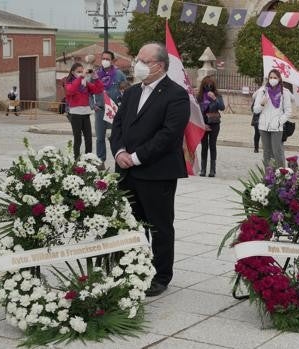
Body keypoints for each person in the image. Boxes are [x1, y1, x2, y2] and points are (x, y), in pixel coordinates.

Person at [110, 42, 190, 297]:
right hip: (126, 171)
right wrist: (120, 152)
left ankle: (161, 275)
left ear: (160, 65)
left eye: (145, 61)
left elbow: (168, 135)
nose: (138, 65)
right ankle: (131, 266)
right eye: (138, 60)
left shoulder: (176, 95)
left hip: (156, 172)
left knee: (159, 226)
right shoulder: (132, 92)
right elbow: (119, 124)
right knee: (129, 223)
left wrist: (136, 157)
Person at [253, 69, 292, 167]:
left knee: (277, 152)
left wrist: (279, 122)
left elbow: (288, 112)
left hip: (276, 127)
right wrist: (262, 103)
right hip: (263, 126)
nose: (272, 79)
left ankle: (281, 175)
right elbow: (256, 110)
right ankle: (269, 176)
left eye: (275, 77)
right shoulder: (262, 91)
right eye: (270, 77)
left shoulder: (284, 92)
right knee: (266, 153)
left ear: (279, 79)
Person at [94, 50, 127, 170]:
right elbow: (88, 90)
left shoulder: (119, 74)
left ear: (112, 61)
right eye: (103, 58)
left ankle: (119, 160)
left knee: (116, 137)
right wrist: (93, 105)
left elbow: (126, 90)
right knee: (100, 138)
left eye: (107, 59)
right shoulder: (96, 74)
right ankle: (100, 161)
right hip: (100, 110)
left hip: (115, 111)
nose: (105, 61)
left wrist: (123, 105)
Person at [65, 63, 103, 160]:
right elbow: (70, 91)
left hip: (86, 114)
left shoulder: (85, 82)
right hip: (75, 114)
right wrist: (80, 78)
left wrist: (95, 78)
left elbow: (98, 89)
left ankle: (88, 159)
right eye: (78, 71)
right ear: (73, 72)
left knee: (89, 139)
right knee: (78, 139)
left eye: (82, 71)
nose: (81, 73)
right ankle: (76, 160)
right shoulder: (69, 82)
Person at [196, 76, 225, 177]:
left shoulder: (217, 95)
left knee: (212, 145)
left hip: (214, 124)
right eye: (206, 85)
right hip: (203, 124)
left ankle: (213, 170)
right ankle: (203, 169)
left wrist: (214, 98)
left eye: (210, 85)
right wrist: (202, 124)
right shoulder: (199, 96)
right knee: (204, 145)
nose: (208, 87)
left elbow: (222, 107)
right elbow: (196, 112)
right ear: (203, 86)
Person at [251, 89, 261, 153]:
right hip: (257, 118)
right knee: (257, 133)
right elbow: (252, 108)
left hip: (266, 118)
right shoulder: (257, 97)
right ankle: (256, 148)